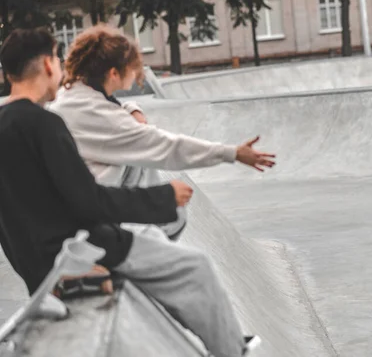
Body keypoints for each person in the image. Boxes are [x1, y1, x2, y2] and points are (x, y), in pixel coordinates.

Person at [0, 27, 248, 357]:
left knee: (152, 239)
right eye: (58, 60)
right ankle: (235, 351)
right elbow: (90, 202)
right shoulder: (44, 125)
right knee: (194, 267)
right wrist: (164, 198)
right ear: (48, 65)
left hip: (32, 264)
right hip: (78, 252)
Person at [47, 24, 276, 240]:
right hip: (89, 218)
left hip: (72, 204)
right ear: (114, 73)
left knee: (142, 162)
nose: (137, 73)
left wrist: (130, 108)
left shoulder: (73, 96)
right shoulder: (101, 115)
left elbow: (107, 111)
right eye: (133, 67)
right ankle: (138, 251)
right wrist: (232, 153)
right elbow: (167, 147)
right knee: (174, 215)